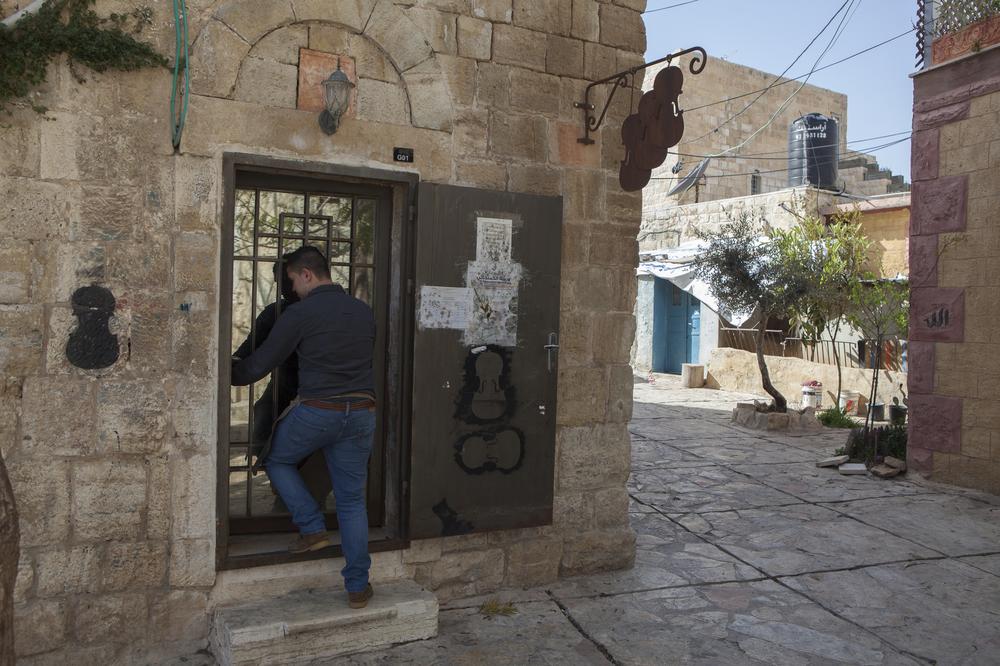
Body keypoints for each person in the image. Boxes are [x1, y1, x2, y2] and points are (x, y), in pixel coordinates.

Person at [231, 246, 377, 609]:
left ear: (307, 274)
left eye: (293, 281)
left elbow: (257, 366)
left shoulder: (300, 313)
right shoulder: (363, 311)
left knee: (274, 458)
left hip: (318, 410)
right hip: (362, 412)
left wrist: (225, 368)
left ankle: (311, 528)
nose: (292, 289)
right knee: (352, 501)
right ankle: (358, 587)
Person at [233, 257, 331, 510]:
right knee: (263, 424)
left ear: (301, 276)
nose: (285, 288)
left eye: (287, 281)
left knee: (312, 447)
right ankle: (286, 488)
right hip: (283, 385)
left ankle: (305, 497)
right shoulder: (274, 312)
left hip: (316, 391)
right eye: (279, 283)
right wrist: (233, 366)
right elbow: (249, 349)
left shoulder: (323, 311)